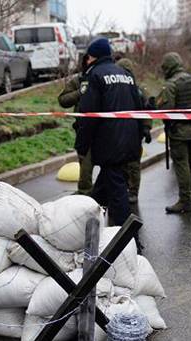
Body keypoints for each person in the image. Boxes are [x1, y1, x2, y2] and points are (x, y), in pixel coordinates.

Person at [75, 38, 143, 229]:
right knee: (101, 192)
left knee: (118, 196)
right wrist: (137, 140)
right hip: (128, 142)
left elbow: (88, 116)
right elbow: (139, 109)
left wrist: (82, 145)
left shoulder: (95, 75)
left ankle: (131, 240)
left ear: (92, 56)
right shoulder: (126, 74)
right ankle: (88, 232)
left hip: (109, 145)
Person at [157, 52, 191, 214]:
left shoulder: (171, 85)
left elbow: (166, 110)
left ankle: (185, 200)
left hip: (178, 131)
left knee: (181, 164)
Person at [117, 58, 153, 204]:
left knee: (133, 165)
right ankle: (125, 189)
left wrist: (146, 128)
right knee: (122, 164)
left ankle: (133, 192)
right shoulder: (117, 88)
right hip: (120, 131)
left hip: (134, 132)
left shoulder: (139, 89)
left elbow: (148, 109)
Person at [58, 54, 93, 195]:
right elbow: (63, 100)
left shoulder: (104, 76)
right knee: (85, 164)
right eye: (88, 60)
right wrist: (80, 93)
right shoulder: (79, 80)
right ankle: (85, 195)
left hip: (105, 128)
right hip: (84, 129)